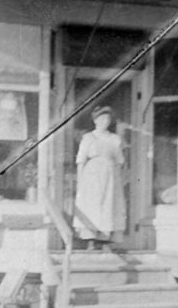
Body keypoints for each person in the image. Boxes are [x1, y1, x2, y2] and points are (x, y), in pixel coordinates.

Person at [73, 106, 126, 250]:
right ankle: (90, 240)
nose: (104, 122)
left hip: (110, 176)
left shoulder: (115, 139)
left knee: (108, 206)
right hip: (91, 177)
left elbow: (120, 161)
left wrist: (116, 179)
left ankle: (105, 240)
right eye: (101, 119)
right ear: (95, 120)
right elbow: (81, 161)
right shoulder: (88, 138)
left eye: (107, 119)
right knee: (92, 206)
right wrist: (80, 182)